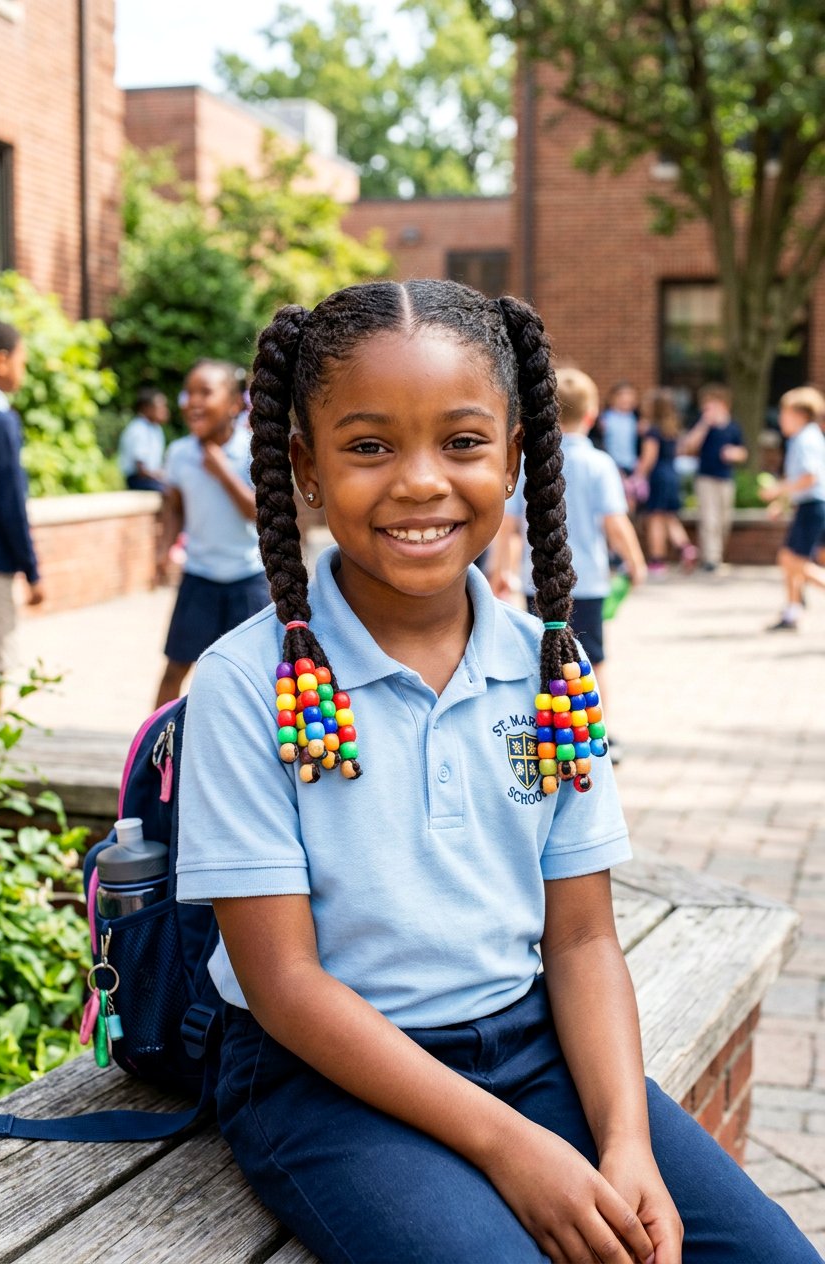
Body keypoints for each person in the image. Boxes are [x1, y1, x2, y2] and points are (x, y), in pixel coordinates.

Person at [173, 280, 818, 1264]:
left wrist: (623, 1141)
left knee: (766, 1254)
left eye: (462, 442)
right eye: (368, 445)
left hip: (528, 1051)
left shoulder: (548, 669)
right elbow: (285, 983)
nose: (420, 481)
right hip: (326, 1078)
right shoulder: (243, 684)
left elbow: (583, 941)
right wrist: (509, 1146)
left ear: (515, 455)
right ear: (304, 466)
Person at [491, 367, 646, 759]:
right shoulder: (600, 464)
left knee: (546, 652)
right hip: (589, 580)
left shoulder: (528, 464)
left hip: (536, 581)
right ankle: (600, 735)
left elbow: (508, 526)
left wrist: (499, 571)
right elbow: (615, 522)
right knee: (593, 657)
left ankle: (551, 730)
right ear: (592, 415)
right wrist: (635, 561)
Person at [154, 359, 269, 706]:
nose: (193, 401)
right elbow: (174, 508)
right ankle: (154, 751)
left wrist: (221, 470)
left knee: (258, 674)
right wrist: (163, 550)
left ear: (235, 404)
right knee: (175, 669)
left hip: (248, 579)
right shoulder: (178, 453)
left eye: (205, 392)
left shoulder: (254, 451)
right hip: (199, 578)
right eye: (188, 393)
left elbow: (258, 513)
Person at [0, 316, 43, 719]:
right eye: (21, 359)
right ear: (1, 361)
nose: (23, 368)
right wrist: (31, 569)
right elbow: (8, 502)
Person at [760, 385, 825, 631]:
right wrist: (783, 502)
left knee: (791, 560)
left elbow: (810, 477)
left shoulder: (805, 439)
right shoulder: (804, 437)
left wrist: (778, 490)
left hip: (812, 507)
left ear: (799, 414)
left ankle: (793, 611)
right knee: (789, 560)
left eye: (784, 413)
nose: (781, 419)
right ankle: (792, 611)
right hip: (808, 505)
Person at [679, 384, 748, 572]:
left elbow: (743, 452)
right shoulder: (702, 425)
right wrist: (704, 424)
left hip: (726, 478)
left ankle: (716, 555)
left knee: (724, 519)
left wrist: (734, 453)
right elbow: (689, 446)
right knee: (709, 518)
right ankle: (711, 559)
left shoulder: (733, 427)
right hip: (705, 478)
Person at [634, 388, 699, 577]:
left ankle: (657, 560)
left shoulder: (652, 432)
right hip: (672, 474)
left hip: (658, 476)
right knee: (669, 517)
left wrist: (638, 475)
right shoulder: (671, 430)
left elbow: (649, 457)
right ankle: (686, 548)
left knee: (655, 518)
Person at [117, 388, 170, 491]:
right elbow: (141, 470)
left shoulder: (156, 428)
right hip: (137, 480)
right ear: (146, 408)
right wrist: (160, 475)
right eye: (160, 407)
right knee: (170, 493)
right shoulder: (139, 429)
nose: (165, 410)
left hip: (150, 478)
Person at [598, 380, 640, 478]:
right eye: (621, 395)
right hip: (612, 465)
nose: (625, 398)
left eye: (629, 395)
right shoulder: (605, 418)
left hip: (631, 466)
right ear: (612, 398)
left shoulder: (635, 418)